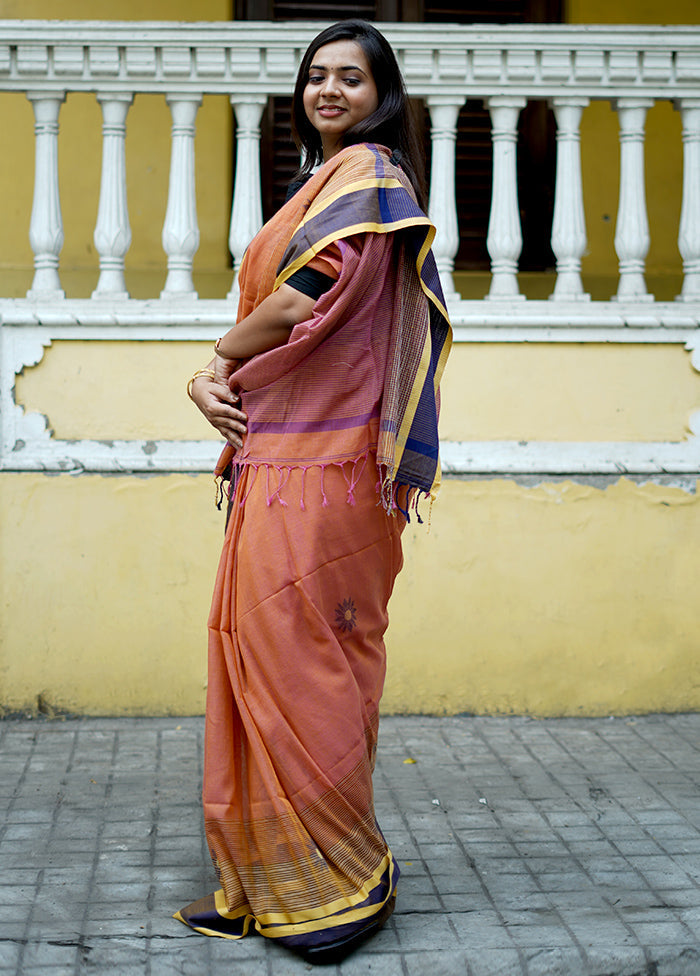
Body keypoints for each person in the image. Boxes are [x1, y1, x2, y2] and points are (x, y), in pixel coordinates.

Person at [175, 19, 452, 965]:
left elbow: (304, 296)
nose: (329, 91)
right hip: (282, 460)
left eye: (351, 78)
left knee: (305, 664)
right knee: (263, 653)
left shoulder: (371, 179)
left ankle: (336, 887)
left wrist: (215, 357)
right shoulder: (325, 184)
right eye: (317, 77)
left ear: (383, 95)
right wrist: (227, 376)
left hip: (323, 471)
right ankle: (264, 878)